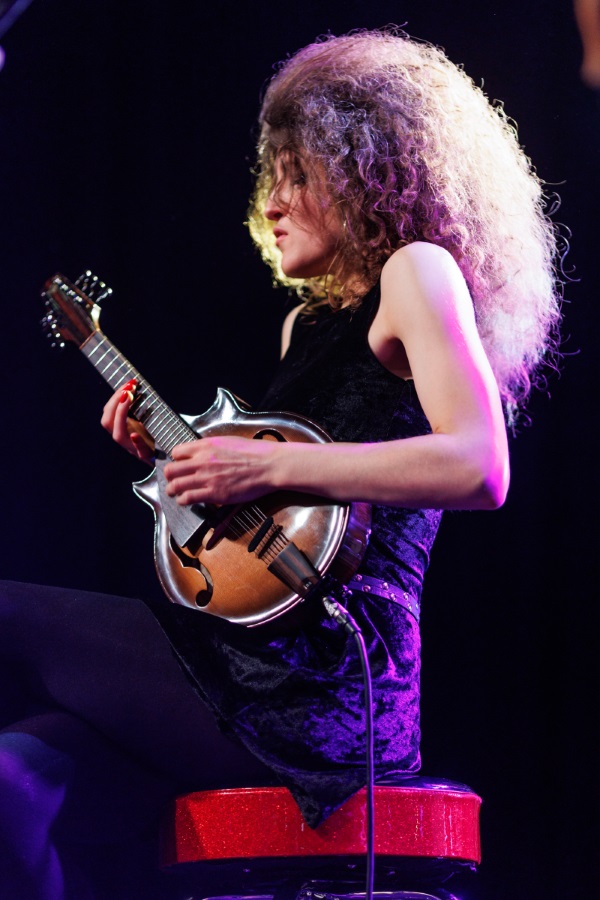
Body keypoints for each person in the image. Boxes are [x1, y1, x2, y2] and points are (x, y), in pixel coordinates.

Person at [0, 29, 561, 899]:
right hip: (245, 661)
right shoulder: (307, 326)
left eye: (298, 174)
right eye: (272, 175)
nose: (272, 202)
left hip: (328, 683)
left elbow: (479, 467)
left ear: (367, 170)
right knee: (13, 785)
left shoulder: (417, 274)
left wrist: (262, 471)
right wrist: (183, 469)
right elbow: (285, 524)